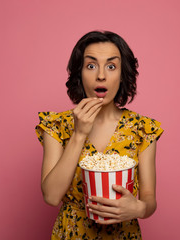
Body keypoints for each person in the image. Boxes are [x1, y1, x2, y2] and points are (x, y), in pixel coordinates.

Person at [35, 30, 164, 239]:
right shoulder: (57, 125)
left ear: (123, 75)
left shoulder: (143, 129)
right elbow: (50, 196)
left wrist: (138, 209)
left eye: (111, 66)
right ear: (80, 73)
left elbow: (149, 198)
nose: (101, 75)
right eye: (91, 65)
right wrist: (79, 134)